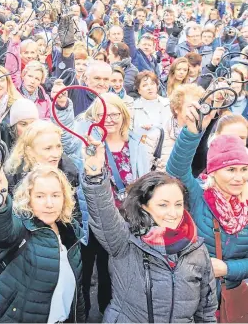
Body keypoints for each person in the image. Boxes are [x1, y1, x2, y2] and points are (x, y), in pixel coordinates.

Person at [80, 137, 217, 322]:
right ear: (144, 206)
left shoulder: (196, 249)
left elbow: (206, 311)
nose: (173, 213)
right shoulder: (125, 241)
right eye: (163, 205)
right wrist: (95, 174)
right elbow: (102, 212)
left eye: (178, 204)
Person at [166, 101, 248, 302]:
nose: (239, 177)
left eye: (244, 169)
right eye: (230, 170)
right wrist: (192, 132)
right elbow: (176, 171)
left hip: (233, 296)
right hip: (194, 294)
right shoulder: (198, 194)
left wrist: (228, 269)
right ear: (213, 170)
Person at [0, 164, 85, 323]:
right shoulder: (21, 227)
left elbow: (77, 294)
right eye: (40, 196)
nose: (49, 204)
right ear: (28, 199)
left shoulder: (71, 233)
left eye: (56, 195)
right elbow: (2, 232)